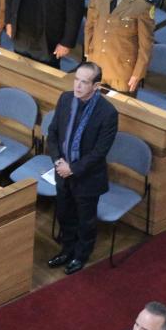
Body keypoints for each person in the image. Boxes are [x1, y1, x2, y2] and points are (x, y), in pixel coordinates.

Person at [46, 62, 118, 274]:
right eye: (76, 79)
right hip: (62, 171)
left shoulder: (108, 113)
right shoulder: (65, 99)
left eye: (84, 82)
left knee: (86, 221)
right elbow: (53, 134)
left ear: (96, 86)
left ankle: (80, 256)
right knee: (64, 215)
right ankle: (67, 250)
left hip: (87, 178)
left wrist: (73, 169)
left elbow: (99, 152)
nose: (77, 86)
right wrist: (58, 161)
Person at [84, 0, 154, 94]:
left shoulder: (142, 5)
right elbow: (90, 24)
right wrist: (87, 51)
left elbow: (146, 45)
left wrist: (137, 73)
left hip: (121, 72)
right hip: (96, 62)